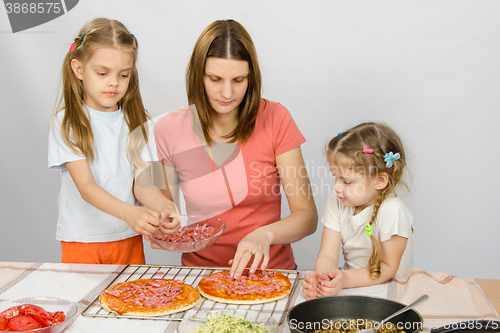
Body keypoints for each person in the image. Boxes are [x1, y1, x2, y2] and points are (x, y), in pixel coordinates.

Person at [149, 19, 318, 278]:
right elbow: (165, 211)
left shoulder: (275, 117)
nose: (227, 93)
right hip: (200, 276)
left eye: (239, 80)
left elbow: (307, 216)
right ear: (198, 76)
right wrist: (162, 226)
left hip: (270, 273)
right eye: (215, 79)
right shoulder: (170, 128)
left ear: (251, 78)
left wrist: (265, 234)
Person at [48, 18, 178, 265]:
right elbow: (86, 186)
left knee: (130, 300)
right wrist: (131, 213)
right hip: (82, 239)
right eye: (102, 73)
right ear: (78, 69)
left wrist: (163, 206)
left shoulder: (138, 122)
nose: (113, 82)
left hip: (128, 238)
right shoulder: (67, 121)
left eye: (123, 74)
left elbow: (143, 183)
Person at [301, 122, 414, 300]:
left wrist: (345, 279)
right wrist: (324, 280)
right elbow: (327, 254)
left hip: (393, 293)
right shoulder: (337, 200)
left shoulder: (393, 210)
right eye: (334, 177)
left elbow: (388, 267)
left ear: (380, 180)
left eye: (346, 181)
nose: (336, 187)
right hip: (353, 288)